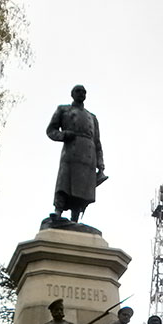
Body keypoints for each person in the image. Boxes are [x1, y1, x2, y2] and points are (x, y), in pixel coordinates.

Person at [47, 84, 105, 222]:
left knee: (83, 188)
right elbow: (51, 130)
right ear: (72, 94)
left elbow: (97, 142)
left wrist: (101, 164)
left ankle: (75, 219)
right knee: (64, 181)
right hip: (71, 151)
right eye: (78, 91)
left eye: (84, 92)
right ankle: (58, 211)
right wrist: (64, 135)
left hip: (88, 155)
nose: (81, 94)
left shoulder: (92, 117)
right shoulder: (63, 109)